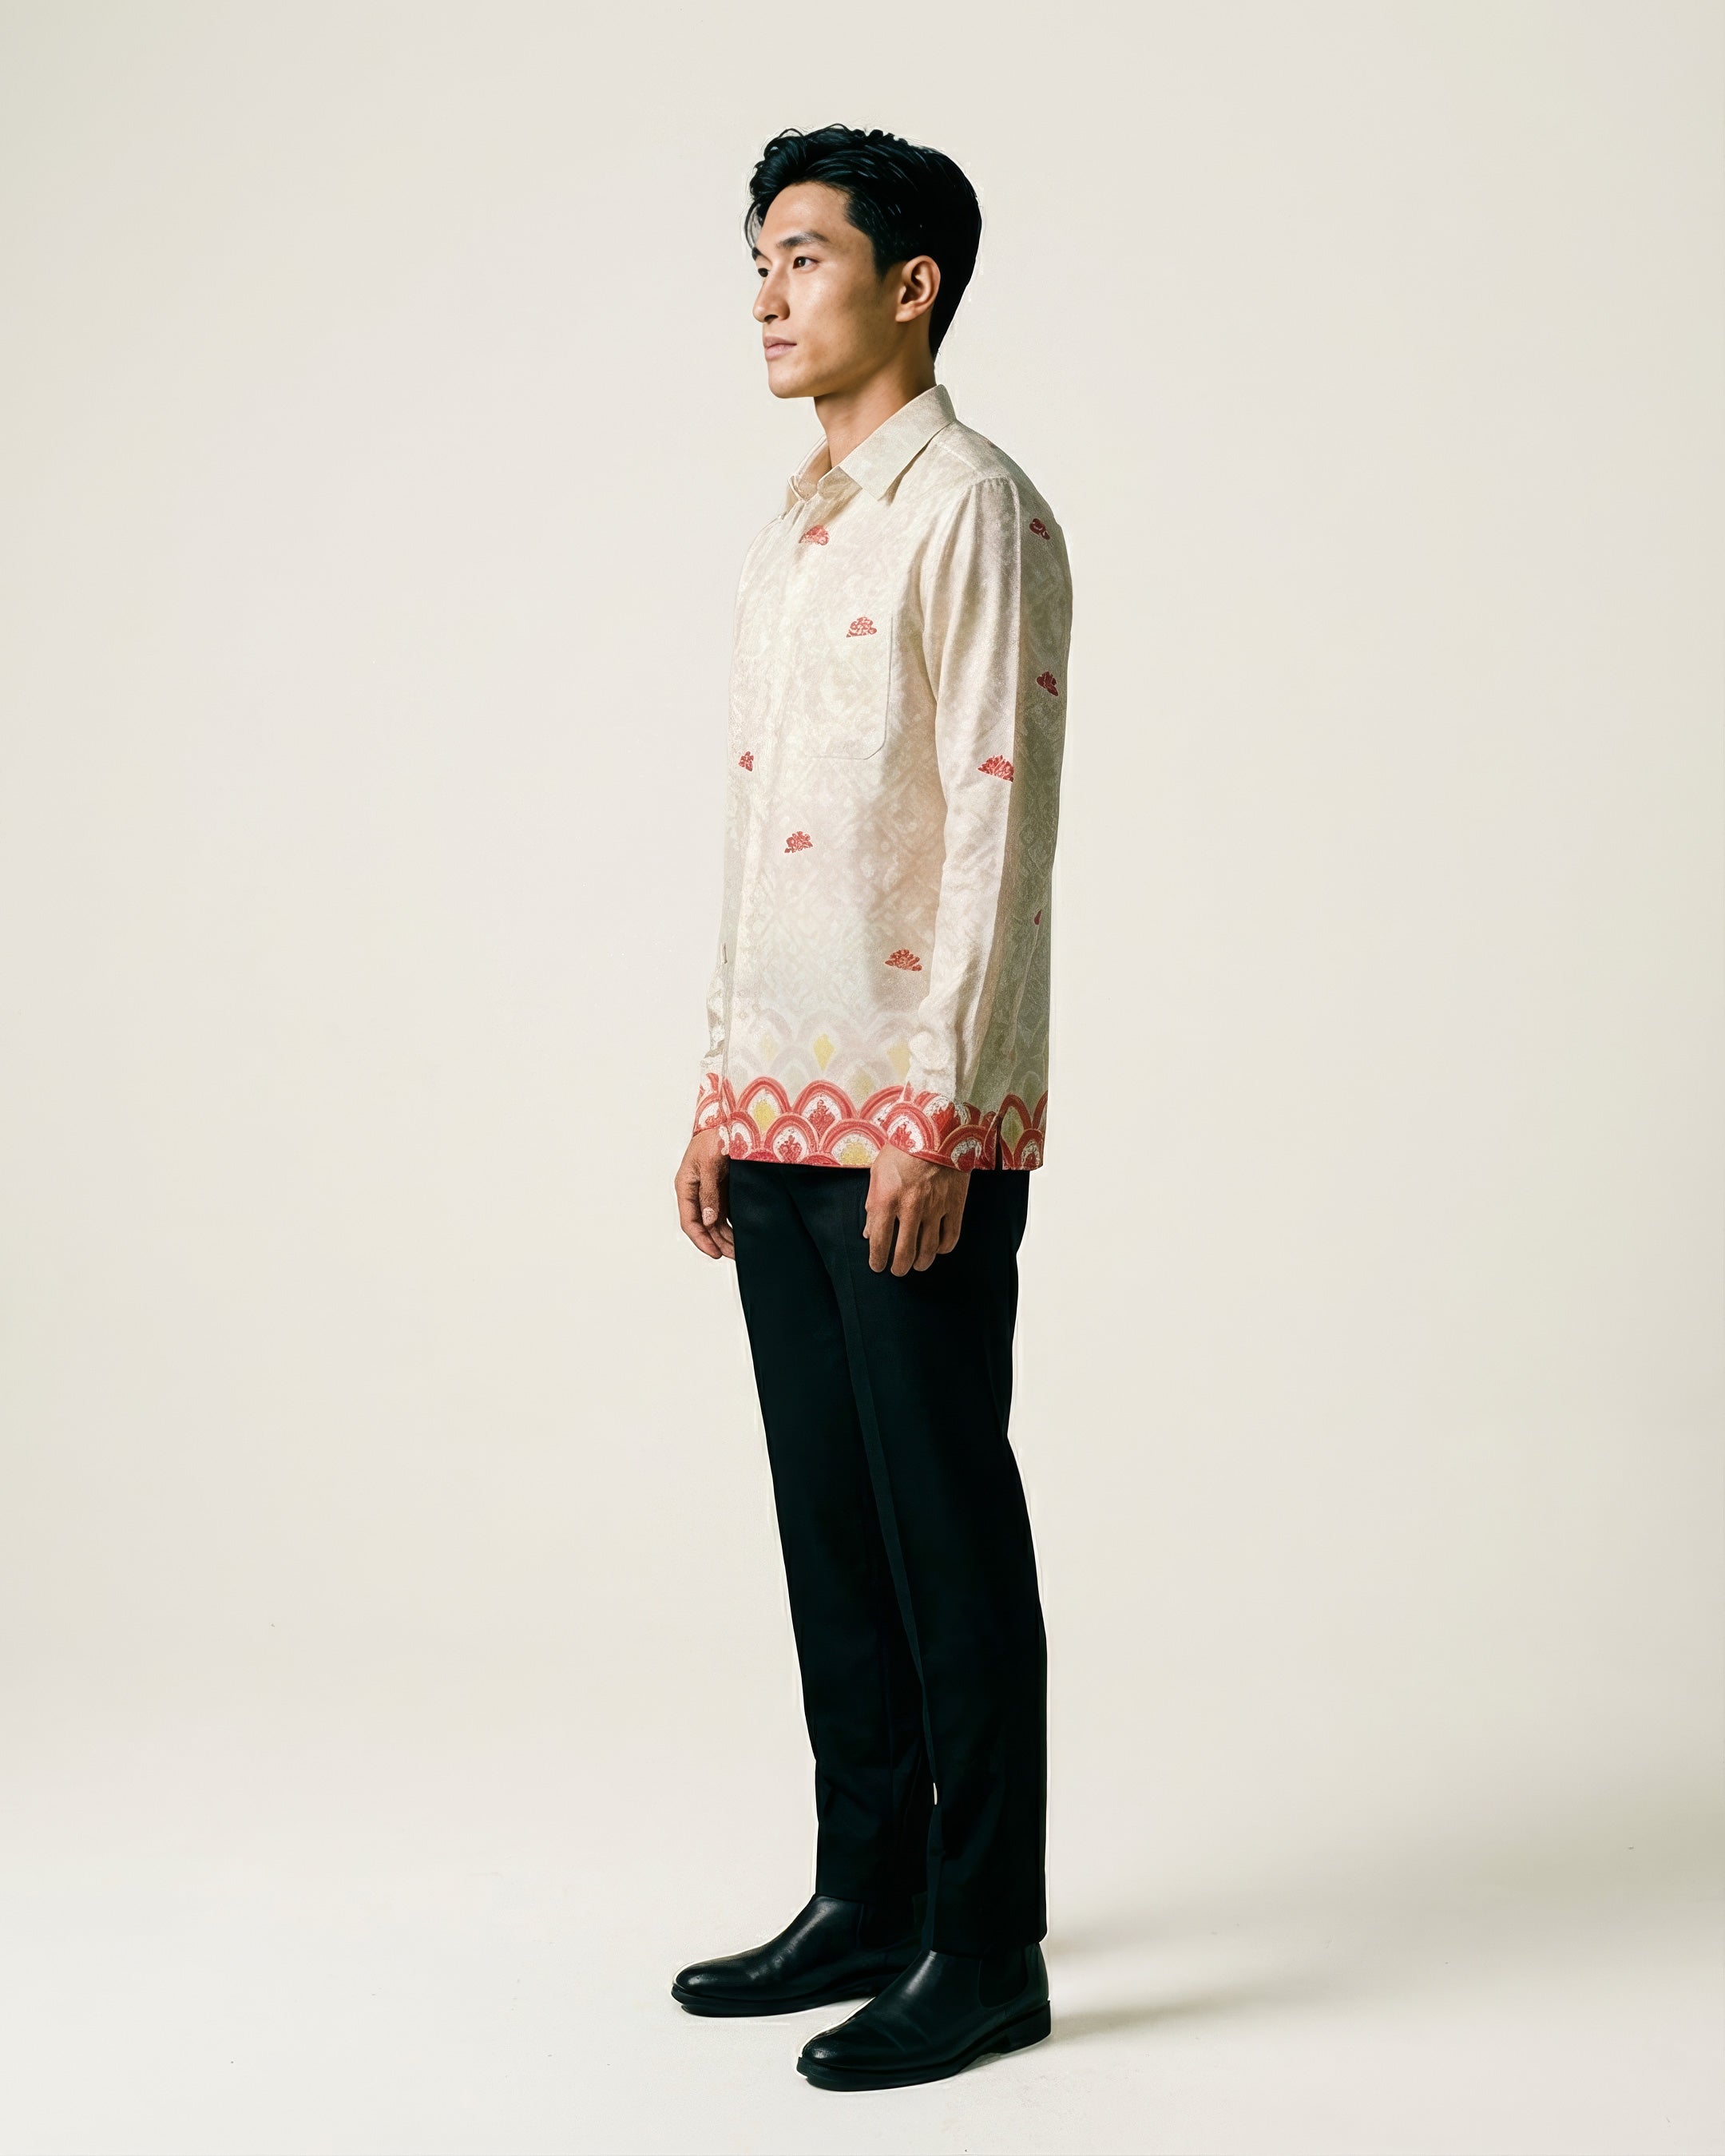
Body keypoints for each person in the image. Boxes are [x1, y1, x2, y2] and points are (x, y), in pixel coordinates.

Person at [670, 122, 1073, 2093]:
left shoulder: (969, 509)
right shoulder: (798, 523)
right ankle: (870, 1889)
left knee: (941, 1523)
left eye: (804, 256)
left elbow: (996, 824)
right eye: (757, 258)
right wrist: (716, 1088)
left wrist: (932, 1110)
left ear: (911, 288)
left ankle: (986, 1945)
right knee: (830, 1525)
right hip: (779, 1105)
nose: (765, 292)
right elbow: (767, 836)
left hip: (915, 1118)